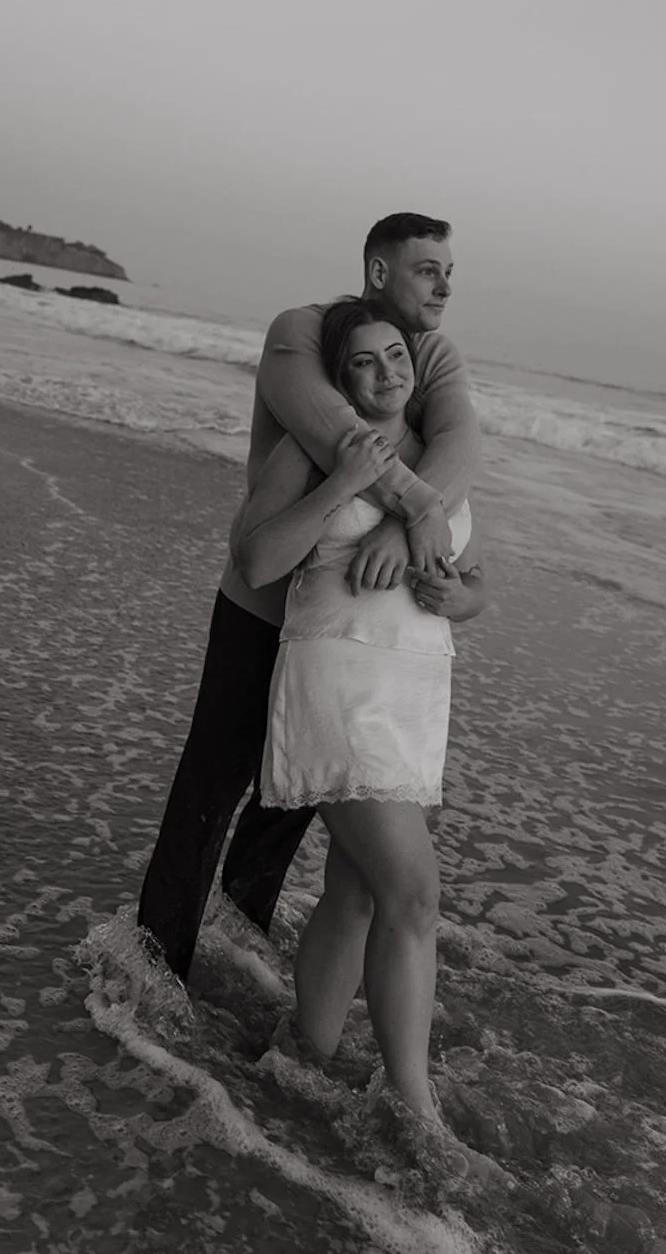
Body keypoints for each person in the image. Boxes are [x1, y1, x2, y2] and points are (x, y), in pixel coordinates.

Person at [137, 213, 481, 982]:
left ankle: (237, 951)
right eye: (429, 269)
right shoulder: (302, 332)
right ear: (382, 272)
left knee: (288, 800)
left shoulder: (435, 356)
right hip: (263, 602)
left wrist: (411, 526)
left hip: (341, 638)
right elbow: (333, 431)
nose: (445, 286)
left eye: (450, 271)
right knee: (212, 787)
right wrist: (418, 508)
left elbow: (462, 447)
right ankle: (154, 968)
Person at [233, 297, 486, 1120]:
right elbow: (258, 558)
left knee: (360, 895)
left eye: (396, 358)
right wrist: (342, 482)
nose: (385, 373)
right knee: (414, 895)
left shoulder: (438, 472)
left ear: (416, 369)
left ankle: (305, 1051)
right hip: (338, 681)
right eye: (364, 363)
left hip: (415, 689)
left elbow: (476, 585)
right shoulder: (318, 451)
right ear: (341, 381)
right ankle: (416, 1110)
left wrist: (457, 596)